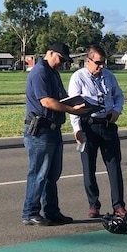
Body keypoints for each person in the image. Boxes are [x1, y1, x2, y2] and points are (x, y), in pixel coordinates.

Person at [22, 42, 87, 226]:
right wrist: (72, 109)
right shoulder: (40, 72)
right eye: (60, 59)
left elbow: (62, 97)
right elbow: (47, 102)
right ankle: (30, 212)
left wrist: (79, 105)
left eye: (65, 61)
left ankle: (51, 211)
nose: (62, 63)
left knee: (52, 174)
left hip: (53, 129)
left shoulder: (53, 73)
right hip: (40, 130)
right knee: (39, 173)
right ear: (50, 53)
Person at [68, 45, 127, 219]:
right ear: (88, 61)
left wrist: (117, 110)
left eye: (103, 63)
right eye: (98, 63)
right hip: (89, 126)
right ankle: (93, 205)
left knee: (114, 167)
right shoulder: (78, 78)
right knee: (89, 168)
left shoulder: (109, 76)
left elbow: (119, 95)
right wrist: (77, 129)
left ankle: (118, 205)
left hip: (107, 125)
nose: (101, 66)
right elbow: (73, 105)